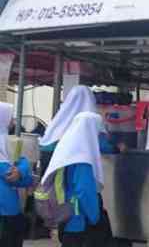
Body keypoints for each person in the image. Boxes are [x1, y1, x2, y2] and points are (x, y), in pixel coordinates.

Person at [41, 112, 113, 247]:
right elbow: (84, 190)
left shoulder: (68, 150)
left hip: (65, 214)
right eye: (98, 132)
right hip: (78, 219)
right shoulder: (83, 157)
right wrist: (95, 217)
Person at [39, 86, 121, 176]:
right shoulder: (90, 119)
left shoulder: (59, 119)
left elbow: (45, 142)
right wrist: (117, 148)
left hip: (48, 160)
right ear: (91, 99)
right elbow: (100, 144)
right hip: (69, 165)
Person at [0, 103, 33, 247]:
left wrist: (22, 169)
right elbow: (14, 178)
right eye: (10, 117)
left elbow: (20, 161)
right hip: (5, 213)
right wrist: (23, 170)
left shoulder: (5, 143)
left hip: (9, 212)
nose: (13, 121)